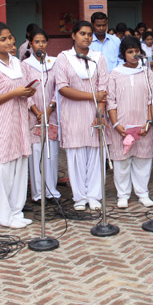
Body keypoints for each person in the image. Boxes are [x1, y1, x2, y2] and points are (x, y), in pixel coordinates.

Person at [0, 22, 36, 228]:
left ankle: (17, 211)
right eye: (3, 39)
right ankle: (4, 216)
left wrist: (27, 92)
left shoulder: (16, 62)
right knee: (3, 172)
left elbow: (21, 90)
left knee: (20, 167)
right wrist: (14, 93)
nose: (9, 42)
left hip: (19, 122)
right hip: (1, 124)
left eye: (10, 37)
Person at [54, 21, 109, 211]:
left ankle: (94, 196)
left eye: (89, 34)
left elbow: (103, 88)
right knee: (76, 155)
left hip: (95, 113)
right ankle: (79, 197)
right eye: (82, 33)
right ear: (73, 35)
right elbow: (63, 88)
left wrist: (100, 112)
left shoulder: (98, 58)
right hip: (72, 113)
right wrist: (93, 96)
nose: (87, 37)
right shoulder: (63, 58)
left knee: (95, 155)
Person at [107, 36, 153, 208]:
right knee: (122, 161)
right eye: (130, 52)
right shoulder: (115, 74)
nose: (134, 55)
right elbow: (111, 101)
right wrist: (116, 124)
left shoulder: (147, 73)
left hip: (143, 124)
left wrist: (149, 122)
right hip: (121, 125)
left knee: (143, 160)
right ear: (123, 54)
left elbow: (152, 99)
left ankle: (143, 193)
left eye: (137, 51)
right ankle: (123, 195)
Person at [21, 28, 61, 204]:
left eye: (43, 42)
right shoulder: (25, 65)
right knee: (37, 152)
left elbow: (58, 88)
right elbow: (24, 90)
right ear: (31, 44)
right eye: (37, 42)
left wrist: (50, 109)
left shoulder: (53, 63)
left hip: (51, 114)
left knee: (51, 152)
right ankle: (38, 193)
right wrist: (37, 112)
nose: (41, 45)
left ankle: (51, 190)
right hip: (34, 116)